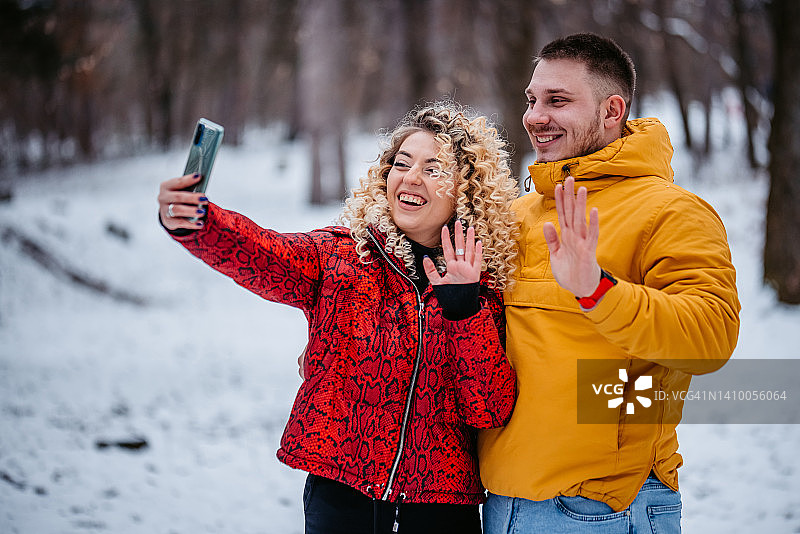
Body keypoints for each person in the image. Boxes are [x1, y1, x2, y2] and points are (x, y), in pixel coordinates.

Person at [157, 102, 519, 534]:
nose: (411, 177)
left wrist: (464, 311)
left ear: (468, 191)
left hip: (441, 509)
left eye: (433, 168)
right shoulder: (343, 258)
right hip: (342, 497)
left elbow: (489, 410)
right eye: (401, 164)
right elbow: (264, 254)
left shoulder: (487, 289)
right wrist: (200, 223)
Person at [478, 33, 740, 533]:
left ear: (611, 110)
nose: (535, 116)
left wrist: (597, 290)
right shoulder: (515, 214)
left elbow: (712, 337)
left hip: (603, 509)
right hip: (500, 503)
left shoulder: (669, 211)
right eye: (532, 100)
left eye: (558, 101)